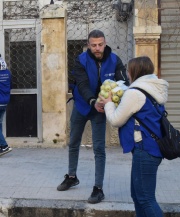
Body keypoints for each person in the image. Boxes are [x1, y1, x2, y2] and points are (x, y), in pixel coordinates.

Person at [57, 29, 129, 204]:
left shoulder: (115, 60)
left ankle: (98, 188)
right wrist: (92, 100)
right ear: (88, 45)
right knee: (73, 142)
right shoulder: (80, 60)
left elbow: (122, 83)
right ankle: (72, 176)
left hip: (101, 110)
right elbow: (81, 83)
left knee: (99, 148)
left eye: (100, 44)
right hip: (82, 105)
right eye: (94, 45)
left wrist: (111, 101)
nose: (97, 48)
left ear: (105, 43)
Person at [98, 56, 167, 216]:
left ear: (134, 71)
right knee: (137, 196)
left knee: (146, 199)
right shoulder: (152, 89)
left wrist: (108, 102)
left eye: (128, 70)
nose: (126, 74)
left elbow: (116, 120)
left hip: (145, 150)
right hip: (151, 148)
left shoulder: (135, 93)